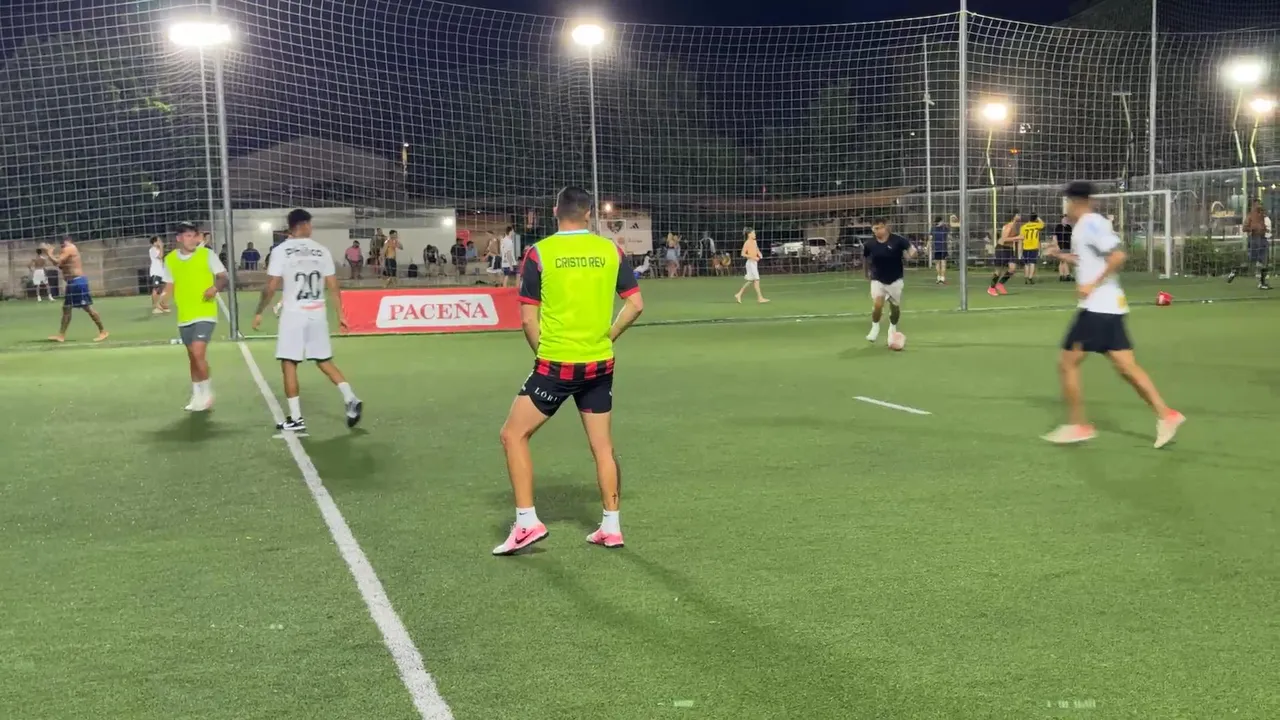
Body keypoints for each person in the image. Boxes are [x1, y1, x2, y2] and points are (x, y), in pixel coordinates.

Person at [492, 186, 644, 556]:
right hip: (600, 363)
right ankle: (611, 527)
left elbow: (528, 320)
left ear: (555, 211)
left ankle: (527, 523)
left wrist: (544, 356)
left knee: (513, 435)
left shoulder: (540, 252)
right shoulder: (610, 250)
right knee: (602, 447)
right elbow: (635, 305)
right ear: (589, 214)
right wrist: (609, 335)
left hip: (557, 364)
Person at [1042, 181, 1184, 448]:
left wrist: (1091, 285)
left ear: (1076, 202)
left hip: (1098, 308)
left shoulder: (1092, 223)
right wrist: (1059, 255)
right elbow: (1086, 259)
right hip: (1108, 308)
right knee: (1126, 367)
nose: (1065, 208)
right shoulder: (1082, 228)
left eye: (1066, 202)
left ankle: (1078, 425)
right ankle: (1167, 415)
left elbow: (1117, 256)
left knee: (1067, 363)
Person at [252, 209, 362, 432]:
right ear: (303, 225)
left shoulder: (281, 251)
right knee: (323, 360)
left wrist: (259, 311)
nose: (311, 228)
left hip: (294, 314)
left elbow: (271, 286)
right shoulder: (321, 250)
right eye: (309, 224)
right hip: (317, 313)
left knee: (288, 362)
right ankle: (350, 397)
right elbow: (333, 285)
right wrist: (340, 314)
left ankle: (296, 418)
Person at [159, 221, 228, 412]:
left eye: (194, 235)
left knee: (198, 353)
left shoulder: (207, 254)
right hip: (185, 315)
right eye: (188, 236)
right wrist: (164, 298)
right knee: (192, 357)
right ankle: (197, 395)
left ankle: (207, 391)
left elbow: (223, 277)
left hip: (205, 312)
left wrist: (214, 288)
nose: (192, 239)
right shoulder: (170, 259)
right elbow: (170, 284)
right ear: (179, 238)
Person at [40, 236, 108, 343]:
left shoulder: (69, 248)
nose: (60, 245)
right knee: (66, 308)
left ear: (67, 241)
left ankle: (103, 331)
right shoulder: (66, 250)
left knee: (87, 308)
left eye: (61, 243)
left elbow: (57, 261)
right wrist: (50, 254)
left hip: (78, 282)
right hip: (72, 283)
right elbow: (59, 265)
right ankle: (61, 335)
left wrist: (49, 253)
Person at [863, 218, 917, 343]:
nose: (877, 231)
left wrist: (912, 254)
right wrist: (866, 273)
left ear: (886, 227)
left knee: (895, 308)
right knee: (878, 304)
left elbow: (911, 249)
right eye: (875, 228)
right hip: (877, 279)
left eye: (880, 228)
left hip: (895, 279)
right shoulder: (870, 244)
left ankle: (892, 328)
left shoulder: (897, 240)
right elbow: (865, 258)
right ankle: (875, 327)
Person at [1229, 201, 1270, 290]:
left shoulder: (1261, 216)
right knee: (1250, 261)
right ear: (1253, 206)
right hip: (1254, 239)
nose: (1259, 206)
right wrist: (1253, 228)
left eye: (1260, 204)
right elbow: (1244, 228)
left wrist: (1265, 229)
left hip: (1262, 239)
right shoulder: (1250, 216)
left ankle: (1262, 283)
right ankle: (1235, 270)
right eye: (1257, 204)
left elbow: (1261, 226)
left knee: (1265, 261)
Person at [988, 210, 1021, 296]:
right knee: (999, 270)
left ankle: (1000, 284)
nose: (1020, 216)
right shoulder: (1008, 226)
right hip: (1002, 249)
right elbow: (1004, 239)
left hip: (1010, 249)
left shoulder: (1016, 226)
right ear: (1014, 216)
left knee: (1012, 268)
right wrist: (1018, 237)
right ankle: (991, 288)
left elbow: (1014, 238)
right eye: (1018, 214)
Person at [734, 228, 769, 304]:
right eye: (753, 233)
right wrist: (753, 257)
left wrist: (759, 253)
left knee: (751, 280)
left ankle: (739, 294)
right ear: (749, 234)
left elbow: (756, 249)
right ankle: (760, 298)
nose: (755, 234)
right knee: (756, 280)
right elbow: (743, 253)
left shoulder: (754, 241)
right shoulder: (747, 243)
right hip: (750, 263)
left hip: (754, 263)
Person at [1019, 213, 1045, 284]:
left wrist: (1020, 250)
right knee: (1032, 263)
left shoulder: (1023, 227)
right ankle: (1030, 277)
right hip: (1034, 247)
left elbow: (1021, 238)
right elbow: (1043, 224)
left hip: (1025, 247)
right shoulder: (1037, 225)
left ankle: (1026, 277)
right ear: (1035, 219)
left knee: (1026, 263)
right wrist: (1038, 218)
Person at [147, 235, 168, 314]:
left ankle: (160, 305)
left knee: (160, 289)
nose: (160, 242)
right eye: (159, 241)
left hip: (160, 273)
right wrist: (161, 247)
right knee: (155, 288)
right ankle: (155, 307)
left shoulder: (158, 249)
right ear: (154, 242)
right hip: (155, 272)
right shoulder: (152, 250)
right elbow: (160, 256)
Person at [1052, 215, 1074, 282]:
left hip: (1067, 246)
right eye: (1064, 219)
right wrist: (1056, 245)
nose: (1065, 220)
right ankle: (1064, 275)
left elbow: (1071, 237)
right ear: (1061, 220)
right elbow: (1054, 237)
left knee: (1064, 261)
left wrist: (1072, 246)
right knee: (1063, 261)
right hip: (1060, 246)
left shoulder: (1069, 227)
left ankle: (1064, 275)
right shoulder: (1058, 227)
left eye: (1066, 219)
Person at [931, 217, 949, 285]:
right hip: (943, 249)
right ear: (940, 221)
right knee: (943, 264)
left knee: (937, 264)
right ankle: (942, 278)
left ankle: (939, 278)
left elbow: (930, 239)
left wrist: (927, 247)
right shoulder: (944, 228)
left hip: (936, 249)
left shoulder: (933, 229)